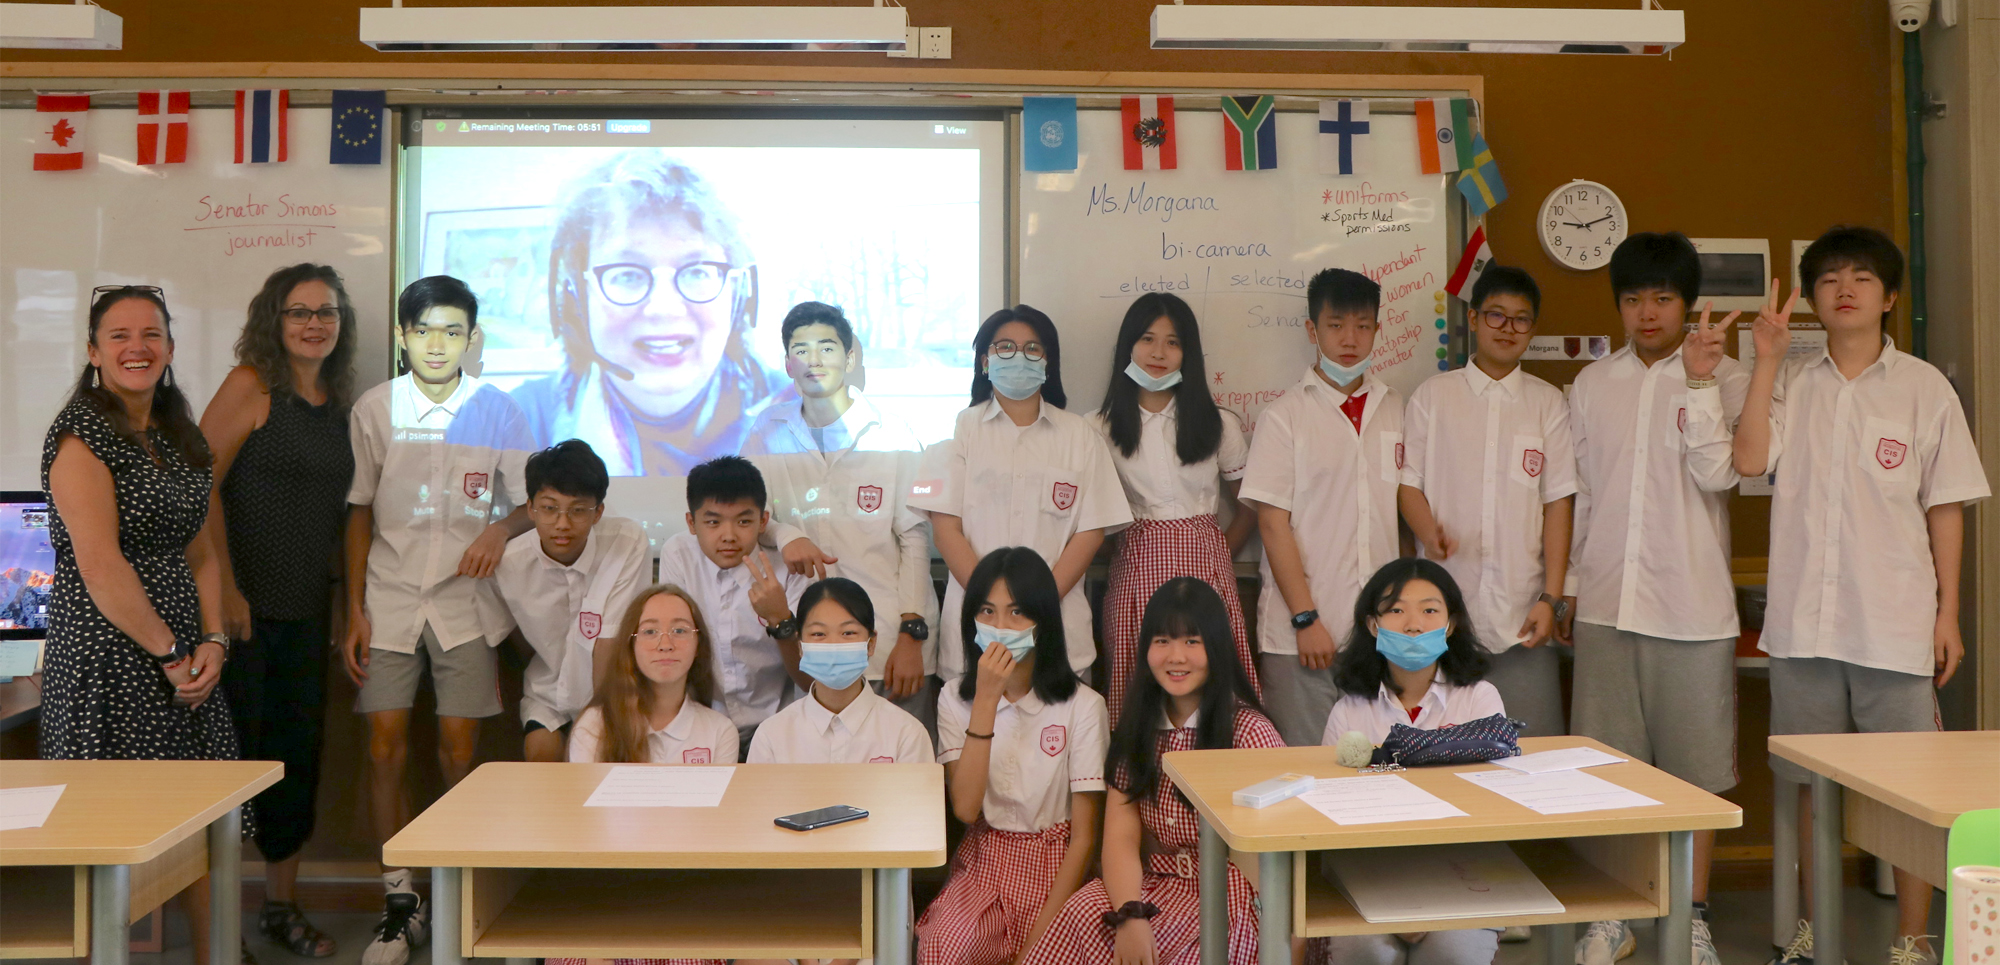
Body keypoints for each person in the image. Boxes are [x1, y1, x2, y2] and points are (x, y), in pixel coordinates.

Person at [1730, 226, 1988, 965]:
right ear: (1812, 298)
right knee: (1811, 788)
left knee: (1908, 793)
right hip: (1805, 626)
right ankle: (1818, 935)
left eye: (1863, 278)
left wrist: (1947, 614)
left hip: (1895, 623)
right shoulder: (1792, 381)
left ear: (1890, 296)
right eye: (1830, 278)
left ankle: (1912, 940)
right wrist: (1765, 360)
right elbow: (1748, 458)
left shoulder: (1923, 387)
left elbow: (1947, 503)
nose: (1845, 288)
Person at [41, 286, 239, 965]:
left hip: (183, 652)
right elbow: (100, 567)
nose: (137, 346)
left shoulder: (179, 434)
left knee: (202, 816)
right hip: (109, 652)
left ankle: (214, 954)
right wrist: (170, 652)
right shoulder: (79, 435)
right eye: (119, 335)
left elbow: (202, 549)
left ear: (171, 348)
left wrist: (213, 640)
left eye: (151, 333)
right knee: (112, 835)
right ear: (94, 352)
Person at [1563, 234, 1745, 965]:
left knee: (1694, 771)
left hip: (1692, 605)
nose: (1647, 312)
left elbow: (1721, 478)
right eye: (1634, 298)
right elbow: (1579, 495)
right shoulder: (1591, 384)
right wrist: (1573, 585)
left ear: (1688, 303)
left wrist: (1699, 386)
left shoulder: (1726, 375)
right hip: (1607, 600)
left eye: (1662, 298)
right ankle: (1614, 911)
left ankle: (1692, 914)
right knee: (1609, 765)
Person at [343, 275, 535, 965]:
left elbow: (527, 505)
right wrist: (353, 611)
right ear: (401, 335)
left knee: (461, 753)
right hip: (389, 599)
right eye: (423, 329)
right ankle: (400, 900)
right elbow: (358, 508)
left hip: (466, 604)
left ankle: (458, 890)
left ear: (471, 338)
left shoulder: (498, 411)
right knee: (384, 747)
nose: (437, 343)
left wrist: (499, 532)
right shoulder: (374, 408)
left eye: (453, 331)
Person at [197, 264, 359, 959]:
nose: (314, 323)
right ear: (275, 318)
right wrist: (226, 587)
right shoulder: (249, 386)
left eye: (326, 312)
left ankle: (281, 905)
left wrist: (348, 606)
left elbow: (350, 513)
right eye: (299, 311)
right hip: (239, 614)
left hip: (304, 611)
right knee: (233, 768)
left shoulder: (338, 402)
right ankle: (219, 923)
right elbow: (194, 486)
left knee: (297, 760)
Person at [1020, 577, 1283, 965]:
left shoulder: (1249, 732)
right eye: (1162, 641)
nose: (1176, 657)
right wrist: (1131, 914)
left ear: (1218, 647)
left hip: (1227, 894)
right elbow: (1121, 841)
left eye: (1192, 641)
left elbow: (1278, 858)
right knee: (1082, 913)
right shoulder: (1136, 731)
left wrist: (1284, 937)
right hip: (1151, 886)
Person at [511, 150, 790, 475]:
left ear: (737, 293)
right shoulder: (514, 423)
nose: (664, 309)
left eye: (697, 271)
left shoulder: (807, 419)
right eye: (627, 274)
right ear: (577, 297)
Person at [1398, 265, 1576, 739]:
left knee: (1531, 757)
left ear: (1532, 330)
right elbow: (1407, 483)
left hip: (1524, 619)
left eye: (1521, 319)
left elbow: (1558, 503)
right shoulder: (1433, 397)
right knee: (1440, 758)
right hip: (1441, 620)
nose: (1508, 328)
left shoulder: (1547, 403)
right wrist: (1427, 531)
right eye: (1496, 316)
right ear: (1474, 319)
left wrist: (1551, 599)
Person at [912, 305, 1131, 689]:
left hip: (1058, 628)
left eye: (1032, 348)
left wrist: (1033, 606)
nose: (1019, 357)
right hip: (973, 632)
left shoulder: (1079, 435)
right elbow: (945, 530)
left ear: (1048, 362)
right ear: (985, 361)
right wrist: (990, 606)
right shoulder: (959, 430)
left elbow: (1091, 532)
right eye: (1005, 348)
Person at [743, 301, 938, 730]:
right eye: (802, 350)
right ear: (788, 363)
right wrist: (786, 531)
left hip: (889, 643)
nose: (814, 360)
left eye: (827, 348)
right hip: (809, 645)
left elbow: (915, 538)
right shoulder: (765, 431)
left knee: (900, 772)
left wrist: (912, 635)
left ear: (849, 358)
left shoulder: (893, 433)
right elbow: (748, 517)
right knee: (823, 766)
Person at [917, 547, 1108, 965]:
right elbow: (965, 809)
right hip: (985, 861)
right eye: (986, 611)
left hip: (1060, 868)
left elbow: (1085, 839)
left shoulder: (1084, 706)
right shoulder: (954, 697)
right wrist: (985, 698)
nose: (1000, 627)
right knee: (943, 950)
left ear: (1043, 622)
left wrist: (1034, 948)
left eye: (1016, 613)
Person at [1240, 268, 1405, 748]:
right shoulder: (1283, 417)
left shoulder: (1394, 407)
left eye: (1362, 325)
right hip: (1302, 637)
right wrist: (1305, 619)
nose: (1349, 339)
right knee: (1305, 772)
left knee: (1377, 771)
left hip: (1378, 635)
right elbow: (1272, 526)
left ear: (1377, 329)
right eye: (1335, 326)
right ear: (1313, 331)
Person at [1319, 558, 1502, 965]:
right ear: (1373, 624)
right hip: (1370, 874)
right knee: (1364, 952)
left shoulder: (1479, 699)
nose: (1414, 624)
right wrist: (1386, 900)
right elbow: (1331, 821)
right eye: (1396, 610)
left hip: (1462, 874)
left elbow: (1490, 810)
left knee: (1451, 953)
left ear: (1450, 624)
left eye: (1430, 610)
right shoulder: (1349, 711)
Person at [1095, 292, 1257, 728]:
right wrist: (1132, 551)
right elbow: (1092, 524)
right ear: (1128, 346)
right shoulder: (1098, 428)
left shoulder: (1219, 423)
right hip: (1134, 575)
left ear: (1188, 352)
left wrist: (1216, 551)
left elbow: (1249, 505)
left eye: (1173, 342)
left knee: (1213, 691)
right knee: (1137, 692)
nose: (1159, 353)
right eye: (1148, 339)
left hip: (1208, 572)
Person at [492, 439, 650, 762]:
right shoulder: (509, 564)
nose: (562, 524)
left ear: (598, 512)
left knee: (597, 760)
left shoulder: (626, 542)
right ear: (531, 508)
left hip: (613, 692)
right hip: (548, 693)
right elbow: (513, 641)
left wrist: (597, 723)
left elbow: (609, 642)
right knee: (541, 756)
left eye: (578, 510)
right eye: (550, 509)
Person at [655, 455, 811, 757]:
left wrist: (780, 621)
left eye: (743, 521)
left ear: (763, 522)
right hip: (701, 726)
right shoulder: (678, 554)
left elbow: (807, 678)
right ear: (691, 522)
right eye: (713, 522)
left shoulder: (787, 567)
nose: (728, 535)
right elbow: (673, 649)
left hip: (776, 726)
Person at [745, 576, 934, 763]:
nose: (834, 644)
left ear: (871, 643)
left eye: (848, 633)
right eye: (818, 634)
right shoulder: (771, 735)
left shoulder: (907, 734)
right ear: (801, 646)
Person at [565, 583, 739, 767]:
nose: (665, 644)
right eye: (650, 632)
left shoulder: (720, 731)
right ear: (631, 645)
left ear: (698, 645)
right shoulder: (594, 726)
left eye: (680, 630)